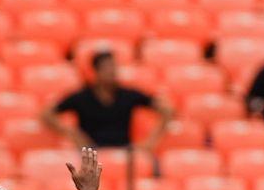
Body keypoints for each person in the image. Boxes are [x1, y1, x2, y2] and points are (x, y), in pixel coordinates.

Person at [40, 50, 174, 150]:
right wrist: (73, 133)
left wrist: (152, 141)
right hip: (90, 152)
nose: (112, 71)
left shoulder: (128, 94)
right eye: (107, 67)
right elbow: (47, 114)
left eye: (114, 67)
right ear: (96, 71)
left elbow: (166, 110)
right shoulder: (81, 97)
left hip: (124, 151)